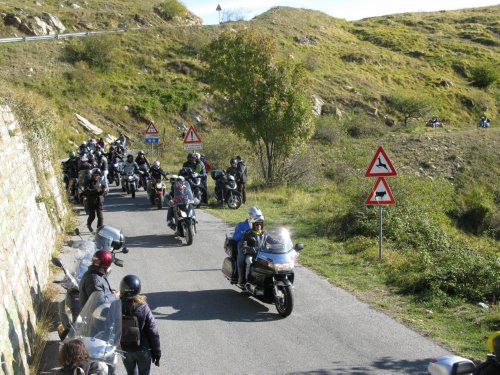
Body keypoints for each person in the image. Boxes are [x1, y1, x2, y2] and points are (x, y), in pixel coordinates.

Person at [120, 275, 161, 375]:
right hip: (143, 349)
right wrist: (157, 352)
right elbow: (153, 330)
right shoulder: (143, 307)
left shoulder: (116, 305)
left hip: (125, 349)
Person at [232, 207, 264, 286]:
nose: (258, 222)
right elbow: (235, 238)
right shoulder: (241, 225)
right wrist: (243, 233)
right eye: (256, 218)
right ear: (250, 216)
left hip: (255, 246)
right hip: (243, 245)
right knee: (242, 254)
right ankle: (241, 277)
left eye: (260, 220)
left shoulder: (257, 224)